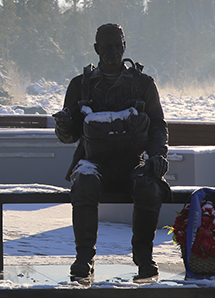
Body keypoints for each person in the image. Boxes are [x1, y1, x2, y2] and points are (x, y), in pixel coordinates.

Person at [53, 23, 170, 283]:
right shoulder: (80, 85)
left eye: (118, 46)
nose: (113, 52)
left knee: (150, 187)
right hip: (93, 163)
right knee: (84, 181)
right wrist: (63, 125)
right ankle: (84, 257)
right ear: (97, 49)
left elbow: (157, 125)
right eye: (107, 46)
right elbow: (69, 136)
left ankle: (144, 256)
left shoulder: (143, 84)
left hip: (132, 164)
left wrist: (158, 155)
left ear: (124, 46)